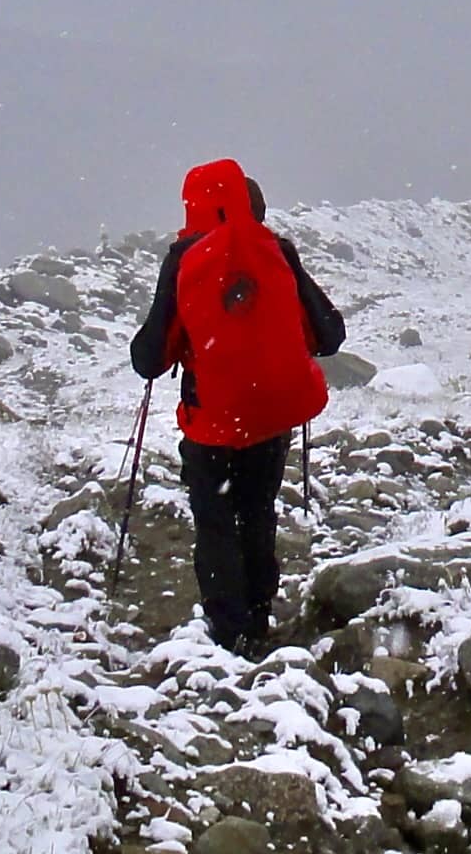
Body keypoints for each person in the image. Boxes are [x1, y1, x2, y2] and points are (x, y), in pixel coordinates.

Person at [127, 158, 346, 657]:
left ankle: (228, 635)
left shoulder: (184, 259)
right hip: (270, 421)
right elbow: (330, 335)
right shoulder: (278, 253)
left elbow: (149, 358)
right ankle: (260, 617)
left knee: (216, 522)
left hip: (212, 426)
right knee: (257, 510)